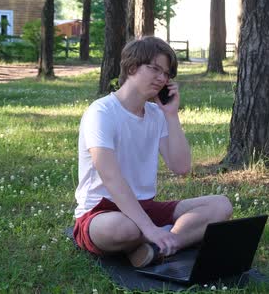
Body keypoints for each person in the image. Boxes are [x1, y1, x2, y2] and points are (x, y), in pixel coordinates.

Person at [73, 36, 233, 268]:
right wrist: (149, 227)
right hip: (101, 211)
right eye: (155, 69)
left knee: (221, 205)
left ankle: (161, 245)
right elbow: (111, 178)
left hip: (145, 207)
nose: (162, 78)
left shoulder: (156, 115)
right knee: (122, 229)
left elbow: (181, 167)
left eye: (166, 74)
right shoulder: (101, 112)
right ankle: (162, 237)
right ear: (131, 67)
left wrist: (171, 114)